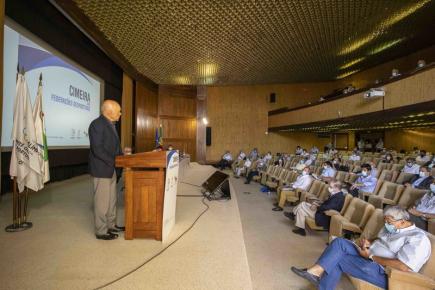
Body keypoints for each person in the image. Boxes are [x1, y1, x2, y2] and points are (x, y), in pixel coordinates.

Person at [291, 206, 431, 290]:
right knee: (339, 242)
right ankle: (315, 272)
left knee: (339, 259)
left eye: (389, 222)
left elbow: (404, 267)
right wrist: (369, 243)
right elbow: (381, 239)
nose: (386, 224)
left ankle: (320, 281)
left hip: (385, 273)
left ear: (403, 222)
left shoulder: (418, 238)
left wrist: (371, 256)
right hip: (369, 256)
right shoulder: (393, 228)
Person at [89, 100, 124, 240]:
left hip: (111, 168)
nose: (120, 113)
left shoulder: (111, 124)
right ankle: (101, 231)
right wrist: (115, 161)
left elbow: (114, 148)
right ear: (109, 111)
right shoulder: (97, 124)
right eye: (119, 111)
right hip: (102, 169)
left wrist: (122, 158)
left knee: (111, 200)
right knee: (102, 202)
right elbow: (97, 149)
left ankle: (111, 225)